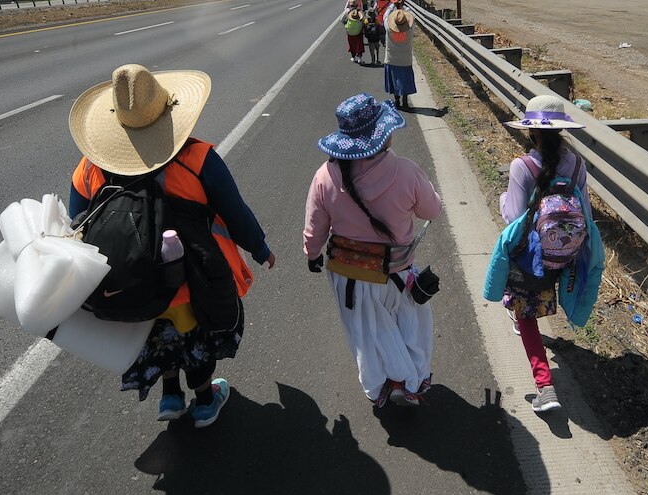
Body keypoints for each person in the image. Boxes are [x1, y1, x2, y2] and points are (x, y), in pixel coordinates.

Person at [67, 64, 276, 428]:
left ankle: (170, 396)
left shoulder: (89, 169)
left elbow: (77, 224)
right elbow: (235, 212)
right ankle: (207, 400)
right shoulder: (197, 160)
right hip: (190, 283)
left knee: (158, 339)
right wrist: (260, 248)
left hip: (129, 284)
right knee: (193, 340)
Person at [303, 93, 442, 408]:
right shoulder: (406, 171)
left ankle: (385, 383)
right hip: (398, 271)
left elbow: (315, 228)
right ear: (383, 135)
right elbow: (432, 211)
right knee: (410, 323)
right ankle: (408, 382)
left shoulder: (325, 175)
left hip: (349, 276)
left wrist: (312, 255)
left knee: (367, 332)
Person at [482, 95, 605, 414]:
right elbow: (585, 211)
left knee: (526, 317)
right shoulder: (576, 162)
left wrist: (502, 199)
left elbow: (513, 217)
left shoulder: (521, 166)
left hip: (531, 258)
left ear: (532, 132)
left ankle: (545, 387)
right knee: (547, 296)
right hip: (569, 253)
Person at [383, 6, 417, 109]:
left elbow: (385, 16)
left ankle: (397, 101)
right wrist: (405, 7)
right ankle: (405, 100)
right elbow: (413, 16)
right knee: (405, 81)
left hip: (391, 59)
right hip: (405, 60)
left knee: (394, 81)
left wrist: (393, 5)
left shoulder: (389, 28)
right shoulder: (409, 30)